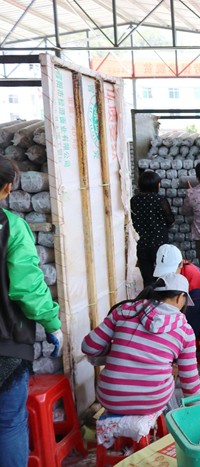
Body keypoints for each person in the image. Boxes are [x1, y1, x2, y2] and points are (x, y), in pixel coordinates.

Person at [0, 158, 62, 467]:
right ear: (8, 188)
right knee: (8, 423)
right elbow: (28, 288)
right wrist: (52, 322)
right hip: (5, 345)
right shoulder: (10, 225)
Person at [82, 272, 200, 415]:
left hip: (110, 398)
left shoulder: (125, 310)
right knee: (169, 374)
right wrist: (199, 410)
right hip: (152, 402)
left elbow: (88, 347)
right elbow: (190, 381)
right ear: (179, 297)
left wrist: (113, 351)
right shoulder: (185, 330)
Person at [153, 244, 200, 339]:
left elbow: (193, 319)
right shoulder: (171, 276)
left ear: (181, 264)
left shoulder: (194, 279)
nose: (167, 275)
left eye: (171, 271)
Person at [131, 170, 175, 286]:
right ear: (156, 185)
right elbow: (170, 220)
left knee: (147, 278)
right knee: (163, 277)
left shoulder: (134, 200)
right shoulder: (160, 200)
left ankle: (148, 301)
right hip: (159, 243)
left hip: (141, 244)